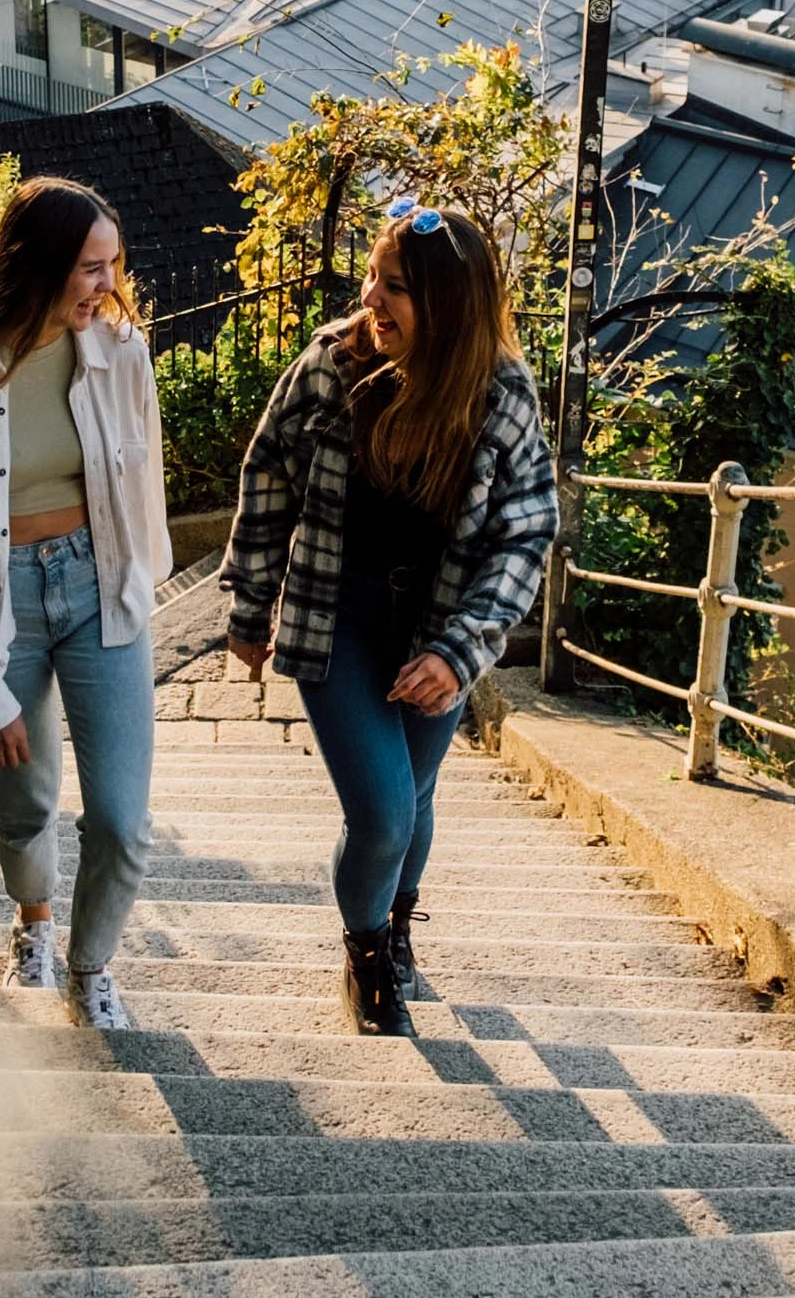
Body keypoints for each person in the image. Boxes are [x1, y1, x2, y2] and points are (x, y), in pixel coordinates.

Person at [222, 205, 557, 1035]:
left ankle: (398, 922)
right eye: (372, 277)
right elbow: (267, 478)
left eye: (395, 286)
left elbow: (526, 531)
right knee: (381, 812)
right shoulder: (329, 364)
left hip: (435, 631)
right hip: (334, 616)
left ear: (446, 302)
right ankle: (367, 956)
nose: (370, 297)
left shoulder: (500, 392)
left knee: (416, 790)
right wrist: (251, 606)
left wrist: (459, 650)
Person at [0, 177, 171, 1029]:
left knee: (121, 820)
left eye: (111, 266)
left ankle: (92, 967)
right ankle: (33, 928)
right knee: (26, 801)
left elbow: (143, 476)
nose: (106, 285)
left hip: (99, 591)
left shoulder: (120, 353)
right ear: (38, 264)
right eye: (89, 268)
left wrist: (138, 580)